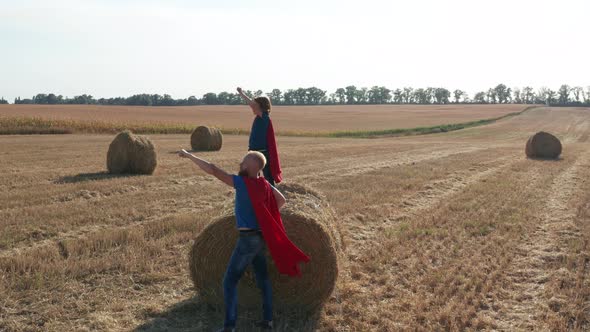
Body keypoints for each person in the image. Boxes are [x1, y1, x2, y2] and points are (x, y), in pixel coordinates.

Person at [177, 149, 309, 332]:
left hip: (247, 240)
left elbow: (213, 170)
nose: (240, 164)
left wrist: (190, 155)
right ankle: (268, 322)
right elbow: (282, 200)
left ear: (250, 166)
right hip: (260, 238)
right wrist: (265, 215)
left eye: (243, 162)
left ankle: (229, 327)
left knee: (229, 281)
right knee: (263, 281)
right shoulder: (263, 184)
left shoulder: (242, 183)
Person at [236, 87, 283, 186]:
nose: (252, 107)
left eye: (255, 105)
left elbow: (251, 103)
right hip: (253, 150)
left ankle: (272, 196)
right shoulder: (259, 117)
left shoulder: (264, 117)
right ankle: (255, 194)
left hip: (262, 152)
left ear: (260, 107)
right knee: (252, 175)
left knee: (268, 177)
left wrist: (242, 93)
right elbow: (252, 104)